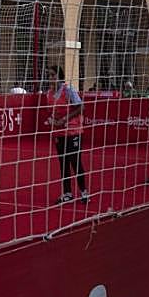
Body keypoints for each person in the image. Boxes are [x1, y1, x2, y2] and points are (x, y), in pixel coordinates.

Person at [44, 64, 90, 204]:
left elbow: (81, 107)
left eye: (53, 75)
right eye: (49, 75)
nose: (51, 78)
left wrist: (65, 119)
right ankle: (67, 193)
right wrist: (52, 120)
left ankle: (84, 192)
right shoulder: (49, 94)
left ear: (59, 76)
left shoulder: (68, 90)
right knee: (63, 163)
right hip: (59, 133)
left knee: (75, 162)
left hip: (73, 131)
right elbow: (52, 112)